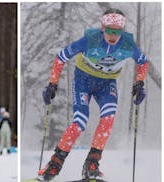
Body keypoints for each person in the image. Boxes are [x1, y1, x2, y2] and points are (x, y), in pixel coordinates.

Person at [38, 8, 148, 181]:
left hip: (106, 84)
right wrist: (52, 83)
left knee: (108, 119)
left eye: (117, 31)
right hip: (83, 81)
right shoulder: (90, 40)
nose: (113, 35)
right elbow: (61, 57)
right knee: (79, 123)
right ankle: (54, 164)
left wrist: (140, 83)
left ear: (122, 31)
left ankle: (91, 164)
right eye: (109, 30)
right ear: (102, 28)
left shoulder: (127, 44)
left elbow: (143, 62)